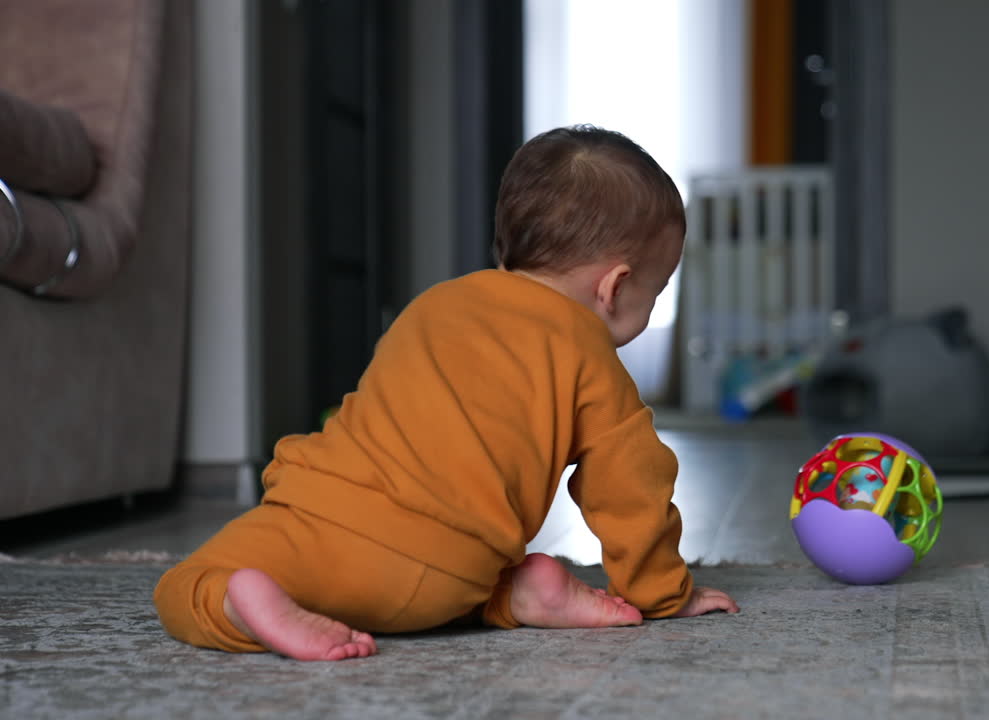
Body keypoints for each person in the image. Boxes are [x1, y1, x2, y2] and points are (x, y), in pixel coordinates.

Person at [153, 125, 740, 661]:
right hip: (452, 574)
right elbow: (631, 489)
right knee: (451, 574)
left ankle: (242, 606)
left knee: (183, 588)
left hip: (327, 522)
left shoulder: (432, 306)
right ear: (614, 287)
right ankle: (515, 596)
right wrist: (664, 593)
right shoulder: (596, 366)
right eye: (656, 292)